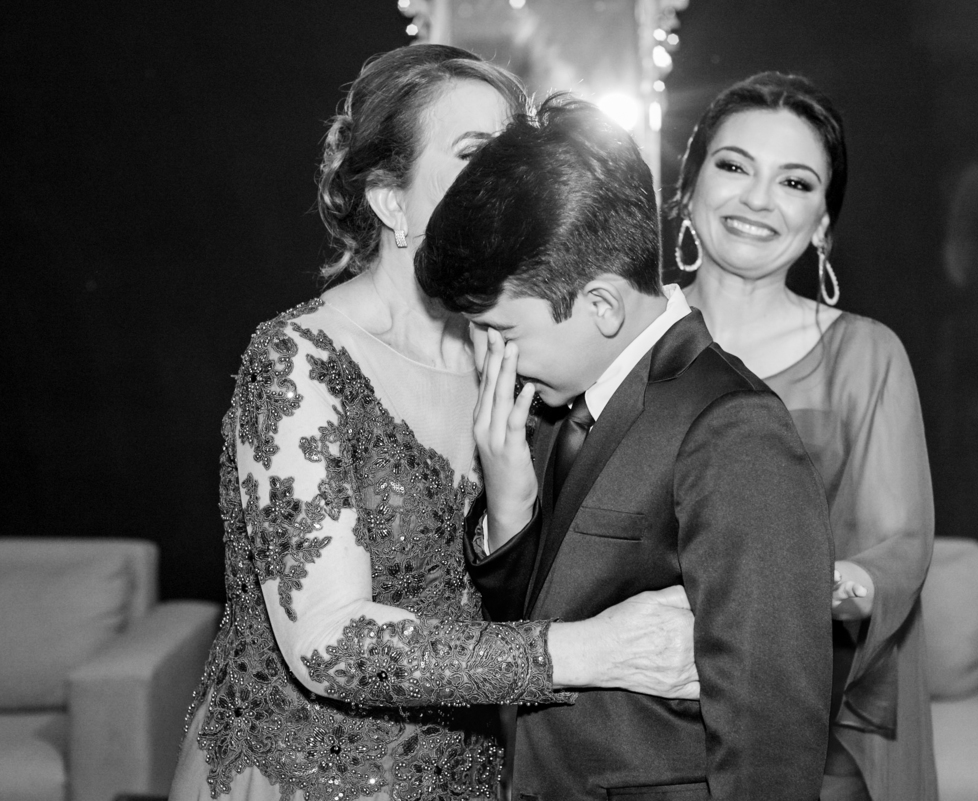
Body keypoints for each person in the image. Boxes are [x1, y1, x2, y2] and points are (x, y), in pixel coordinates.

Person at [169, 45, 698, 801]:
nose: (508, 184)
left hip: (477, 773)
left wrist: (512, 519)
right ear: (391, 202)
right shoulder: (298, 361)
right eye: (475, 156)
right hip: (309, 775)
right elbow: (328, 641)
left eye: (513, 156)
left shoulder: (528, 351)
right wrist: (590, 651)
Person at [416, 94, 834, 801]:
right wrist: (510, 509)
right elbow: (532, 634)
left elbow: (773, 730)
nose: (491, 357)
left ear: (603, 305)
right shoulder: (553, 405)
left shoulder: (734, 428)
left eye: (502, 332)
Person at [667, 71, 938, 801]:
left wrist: (773, 597)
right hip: (635, 716)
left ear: (821, 223)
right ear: (688, 189)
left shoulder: (867, 354)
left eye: (794, 182)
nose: (758, 199)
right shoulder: (624, 336)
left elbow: (899, 550)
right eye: (734, 166)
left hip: (807, 722)